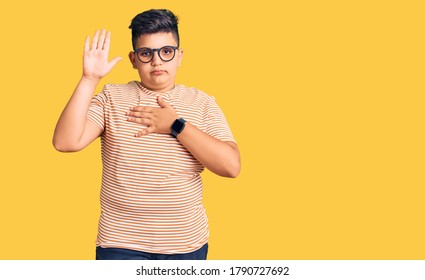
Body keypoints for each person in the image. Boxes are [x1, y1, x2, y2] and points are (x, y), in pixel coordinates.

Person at [52, 9, 240, 260]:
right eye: (146, 53)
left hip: (186, 245)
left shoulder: (202, 102)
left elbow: (231, 166)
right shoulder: (111, 98)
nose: (157, 61)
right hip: (121, 244)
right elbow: (65, 142)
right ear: (133, 59)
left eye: (166, 51)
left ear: (179, 55)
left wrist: (176, 125)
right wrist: (89, 78)